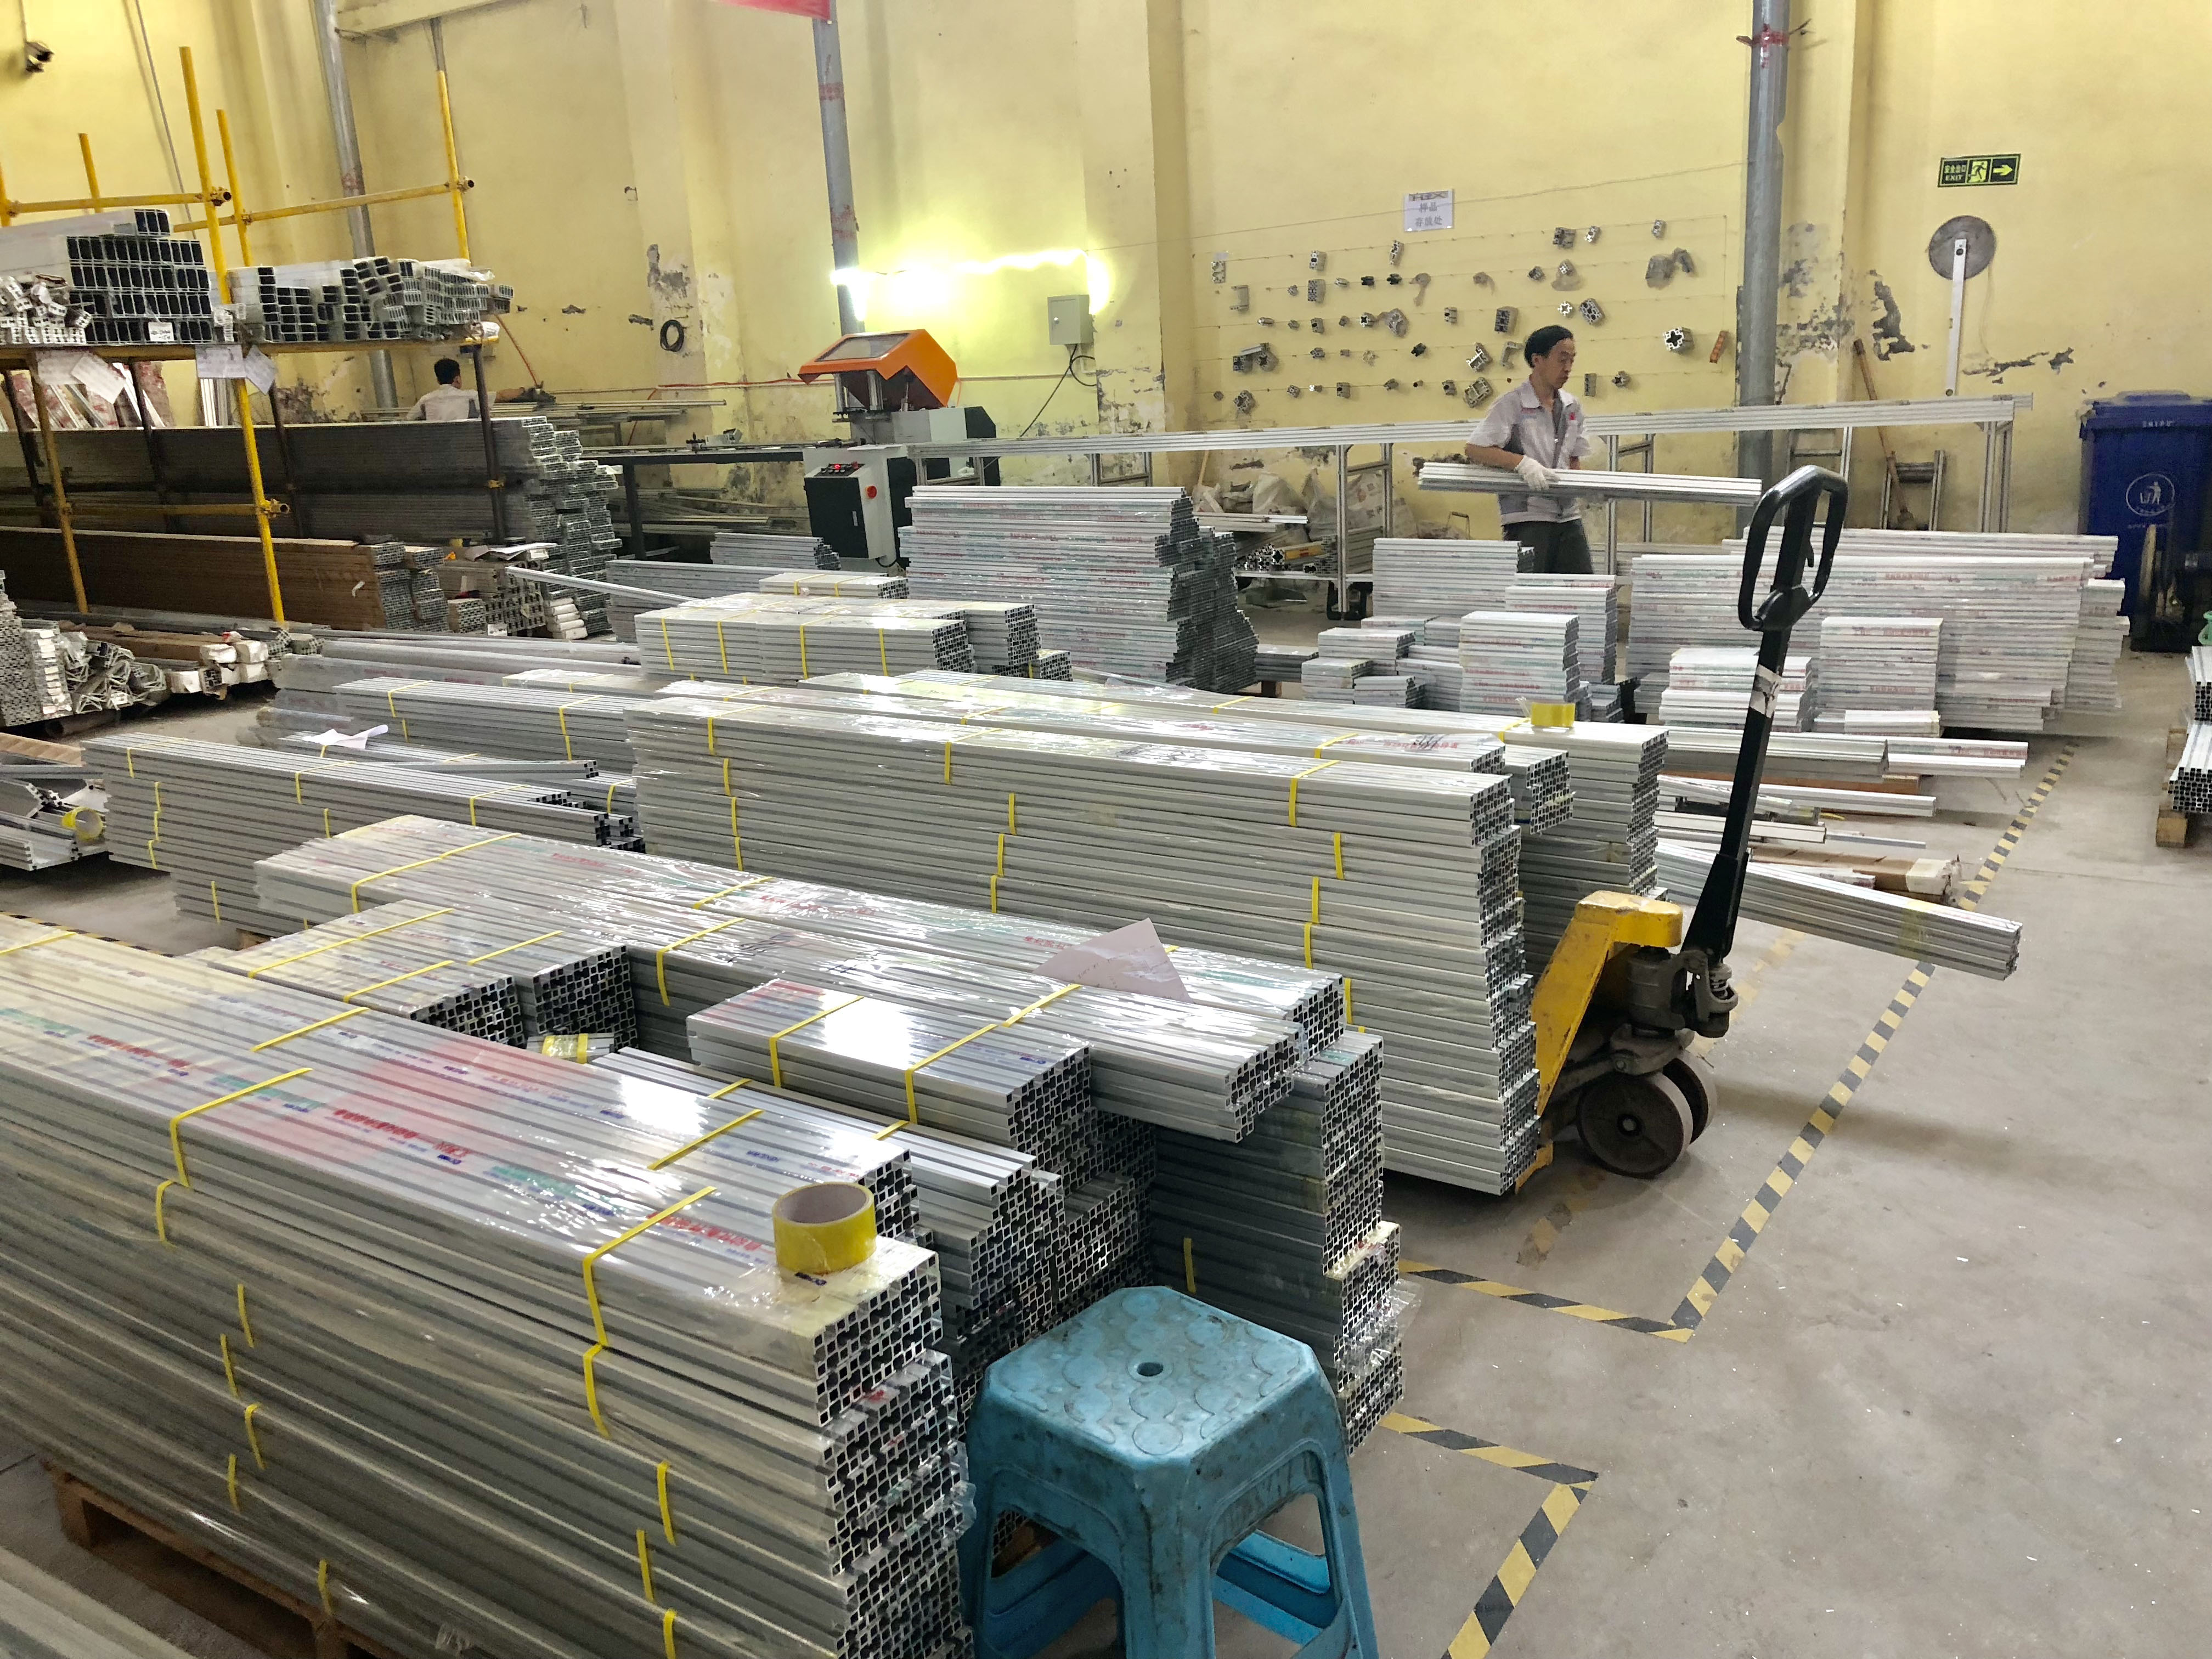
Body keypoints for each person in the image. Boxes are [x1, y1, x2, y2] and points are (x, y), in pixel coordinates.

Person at [1464, 325, 1592, 573]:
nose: (1568, 368)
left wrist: (1587, 487)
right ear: (1537, 360)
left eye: (1572, 360)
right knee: (1530, 590)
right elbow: (1475, 449)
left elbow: (1574, 458)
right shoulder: (1512, 405)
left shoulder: (1572, 406)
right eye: (1562, 359)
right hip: (1528, 517)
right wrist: (1522, 464)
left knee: (1582, 587)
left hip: (1568, 515)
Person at [407, 357, 479, 421]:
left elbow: (409, 418)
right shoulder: (472, 396)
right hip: (464, 432)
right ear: (457, 379)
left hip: (435, 432)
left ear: (438, 380)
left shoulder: (425, 399)